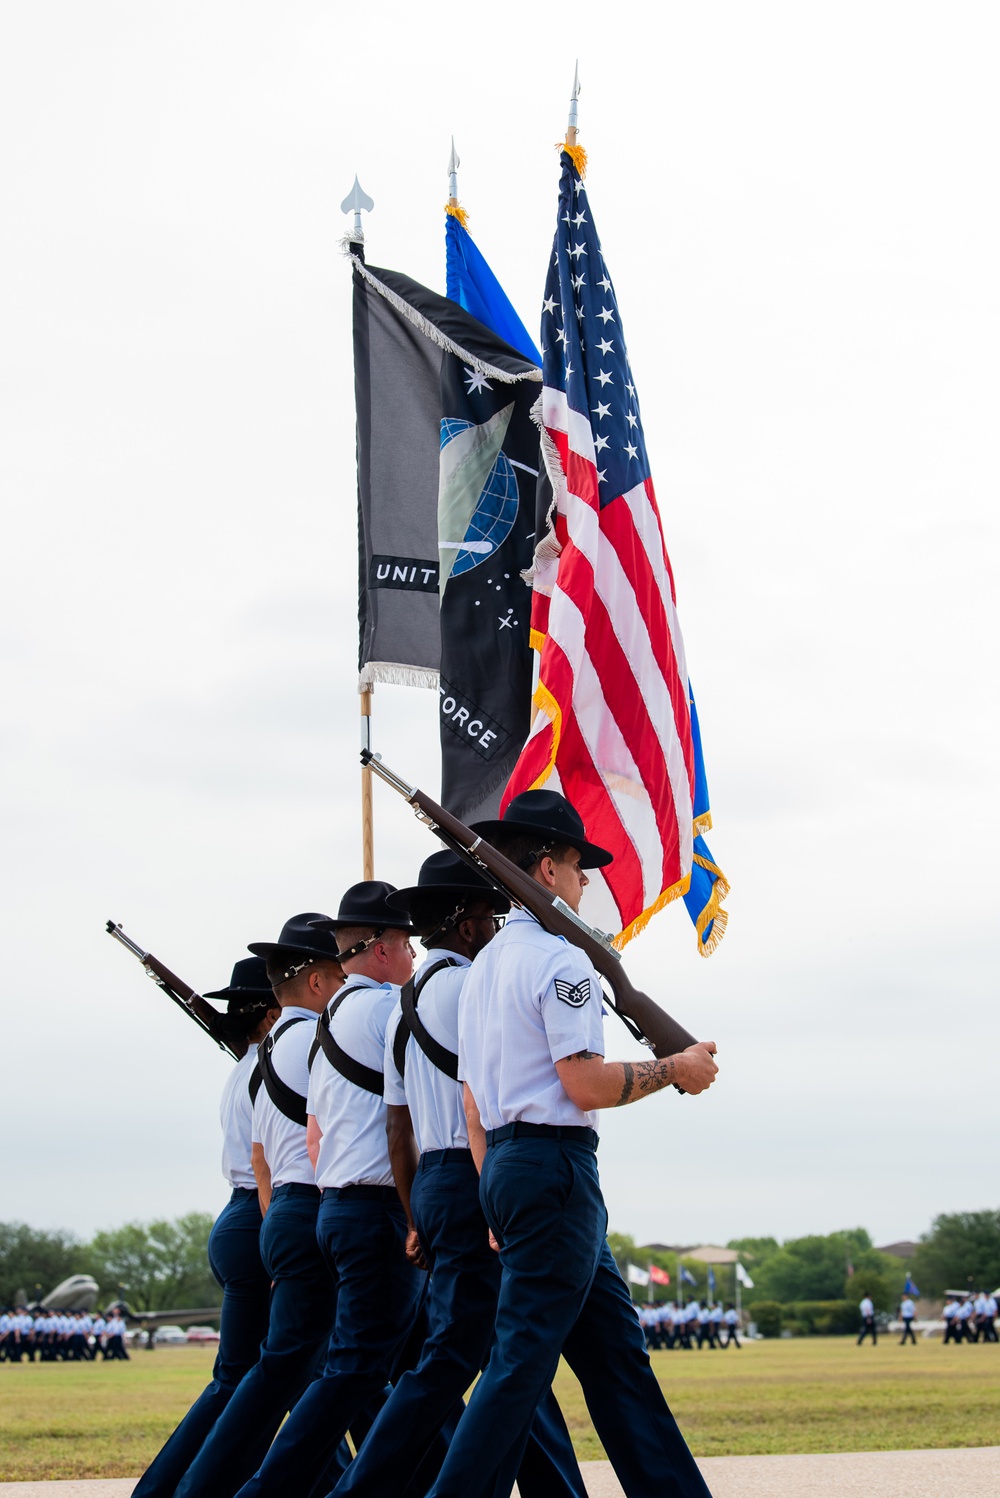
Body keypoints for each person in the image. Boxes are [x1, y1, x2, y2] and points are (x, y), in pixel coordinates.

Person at [424, 788, 718, 1498]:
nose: (587, 880)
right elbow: (583, 1085)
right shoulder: (563, 963)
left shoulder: (485, 966)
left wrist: (497, 1190)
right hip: (554, 1168)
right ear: (549, 869)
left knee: (617, 1360)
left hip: (512, 1164)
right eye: (580, 865)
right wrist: (674, 1068)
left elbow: (472, 1102)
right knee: (520, 1365)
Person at [329, 851, 586, 1498]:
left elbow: (398, 1123)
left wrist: (417, 1215)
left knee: (498, 1354)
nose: (500, 928)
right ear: (470, 927)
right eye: (491, 915)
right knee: (480, 1356)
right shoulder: (475, 986)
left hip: (435, 1183)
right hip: (481, 1171)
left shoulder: (402, 1003)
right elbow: (480, 1098)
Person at [231, 882, 424, 1498]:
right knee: (356, 1370)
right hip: (364, 1206)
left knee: (357, 1370)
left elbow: (307, 1138)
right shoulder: (377, 1013)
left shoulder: (317, 1030)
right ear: (385, 949)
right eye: (408, 945)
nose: (414, 959)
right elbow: (402, 1117)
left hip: (324, 1205)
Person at [174, 915, 349, 1498]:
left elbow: (258, 1157)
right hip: (267, 1210)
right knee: (276, 1374)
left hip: (252, 1212)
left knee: (282, 1375)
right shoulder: (293, 1050)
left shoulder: (253, 1064)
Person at [133, 957, 282, 1498]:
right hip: (259, 1218)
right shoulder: (271, 1065)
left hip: (242, 1217)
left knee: (271, 1377)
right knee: (248, 1376)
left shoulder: (247, 1065)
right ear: (268, 1016)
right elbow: (269, 1165)